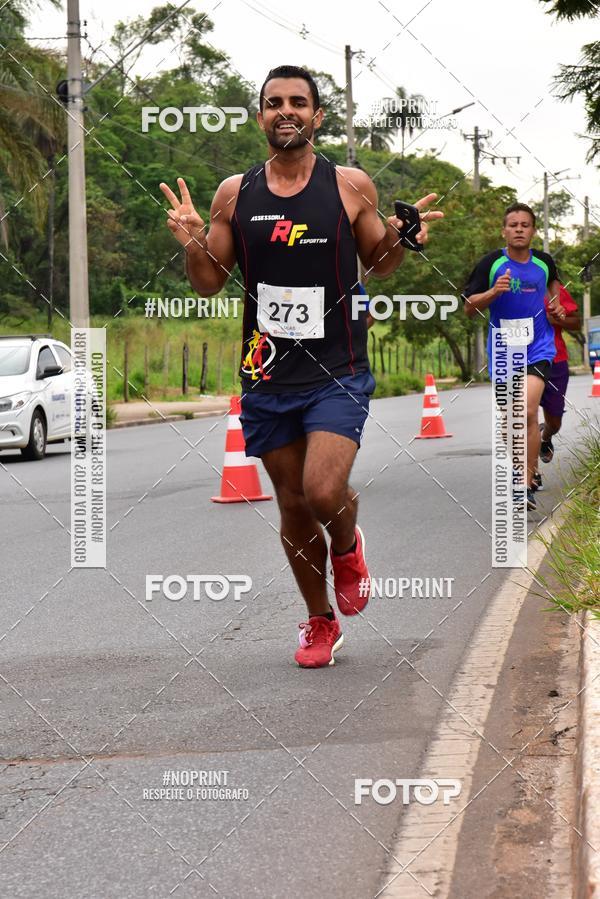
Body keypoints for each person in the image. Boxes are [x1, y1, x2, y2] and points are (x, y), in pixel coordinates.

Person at [160, 64, 442, 667]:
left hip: (337, 367)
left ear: (317, 115)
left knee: (322, 490)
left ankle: (347, 543)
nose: (285, 110)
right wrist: (191, 241)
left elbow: (380, 262)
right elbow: (210, 282)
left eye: (298, 102)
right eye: (273, 103)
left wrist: (402, 235)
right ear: (260, 115)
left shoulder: (348, 185)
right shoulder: (235, 194)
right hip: (266, 372)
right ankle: (320, 621)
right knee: (291, 504)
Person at [463, 202, 565, 511]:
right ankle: (523, 471)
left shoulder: (545, 263)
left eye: (525, 224)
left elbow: (557, 301)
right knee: (511, 419)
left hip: (538, 347)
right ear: (504, 230)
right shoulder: (491, 263)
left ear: (534, 230)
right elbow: (469, 307)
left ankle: (524, 481)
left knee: (529, 410)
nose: (519, 229)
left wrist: (557, 309)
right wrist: (494, 293)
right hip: (505, 351)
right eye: (513, 224)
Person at [532, 283, 581, 489]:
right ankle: (531, 476)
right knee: (526, 415)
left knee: (555, 423)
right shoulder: (509, 288)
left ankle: (546, 436)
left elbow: (576, 323)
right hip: (522, 359)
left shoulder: (553, 289)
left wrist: (556, 318)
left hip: (555, 360)